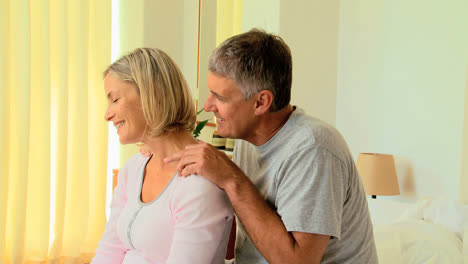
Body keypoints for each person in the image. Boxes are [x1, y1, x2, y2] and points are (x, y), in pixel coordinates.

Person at [164, 29, 378, 263]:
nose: (208, 106)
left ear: (261, 102)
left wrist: (230, 177)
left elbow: (297, 262)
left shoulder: (314, 149)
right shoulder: (249, 139)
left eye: (220, 97)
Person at [92, 48, 233, 264]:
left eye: (115, 99)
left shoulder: (198, 185)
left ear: (153, 95)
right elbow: (109, 250)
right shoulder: (133, 169)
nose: (107, 114)